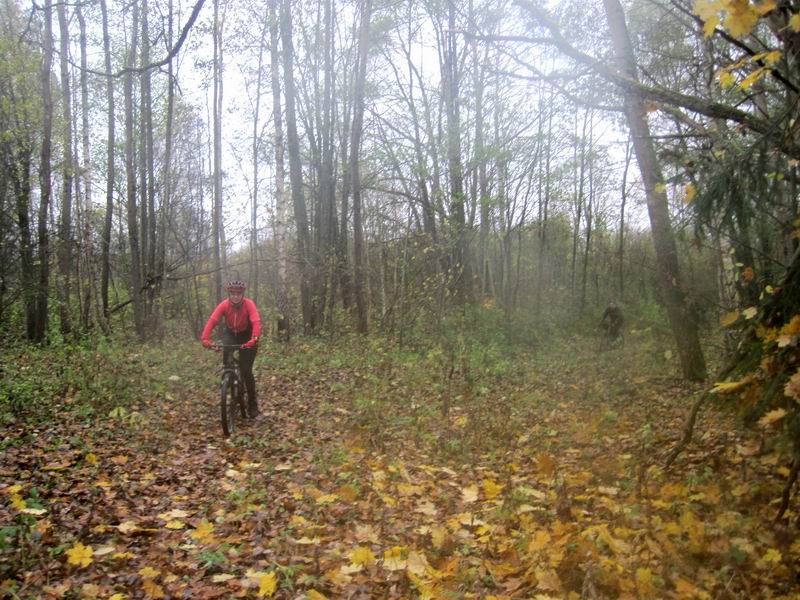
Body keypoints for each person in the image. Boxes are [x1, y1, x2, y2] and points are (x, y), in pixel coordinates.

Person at [201, 280, 262, 418]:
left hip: (247, 335)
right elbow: (212, 321)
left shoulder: (249, 304)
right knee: (227, 358)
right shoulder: (224, 305)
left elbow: (256, 322)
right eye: (233, 293)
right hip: (231, 334)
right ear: (229, 294)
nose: (235, 296)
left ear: (242, 294)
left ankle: (253, 404)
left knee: (246, 370)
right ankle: (230, 383)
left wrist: (254, 338)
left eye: (238, 293)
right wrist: (205, 339)